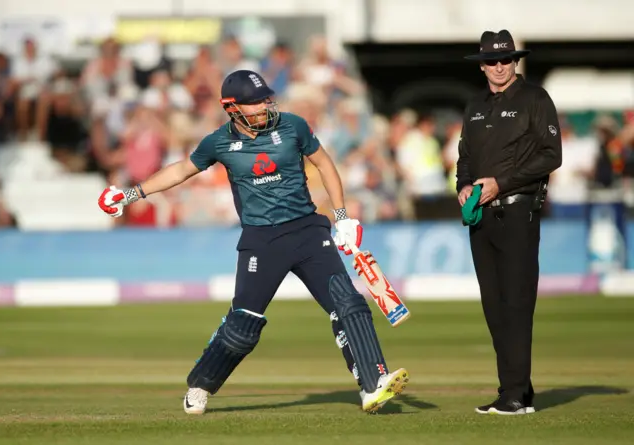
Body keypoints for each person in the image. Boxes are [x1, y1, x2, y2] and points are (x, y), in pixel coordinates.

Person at [97, 70, 409, 415]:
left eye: (265, 99)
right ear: (232, 108)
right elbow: (180, 171)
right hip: (262, 240)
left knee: (348, 302)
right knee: (243, 326)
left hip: (308, 232)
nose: (264, 106)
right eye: (255, 102)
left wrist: (342, 216)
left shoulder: (293, 126)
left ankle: (373, 385)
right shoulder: (218, 142)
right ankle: (201, 384)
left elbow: (324, 164)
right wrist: (130, 194)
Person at [456, 30, 562, 415]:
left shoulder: (535, 99)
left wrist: (502, 182)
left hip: (518, 210)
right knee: (494, 307)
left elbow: (551, 155)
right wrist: (464, 185)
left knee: (517, 304)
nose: (499, 67)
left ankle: (513, 395)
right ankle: (518, 390)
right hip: (480, 216)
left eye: (506, 60)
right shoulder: (475, 105)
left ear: (515, 62)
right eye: (492, 61)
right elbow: (465, 156)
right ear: (482, 65)